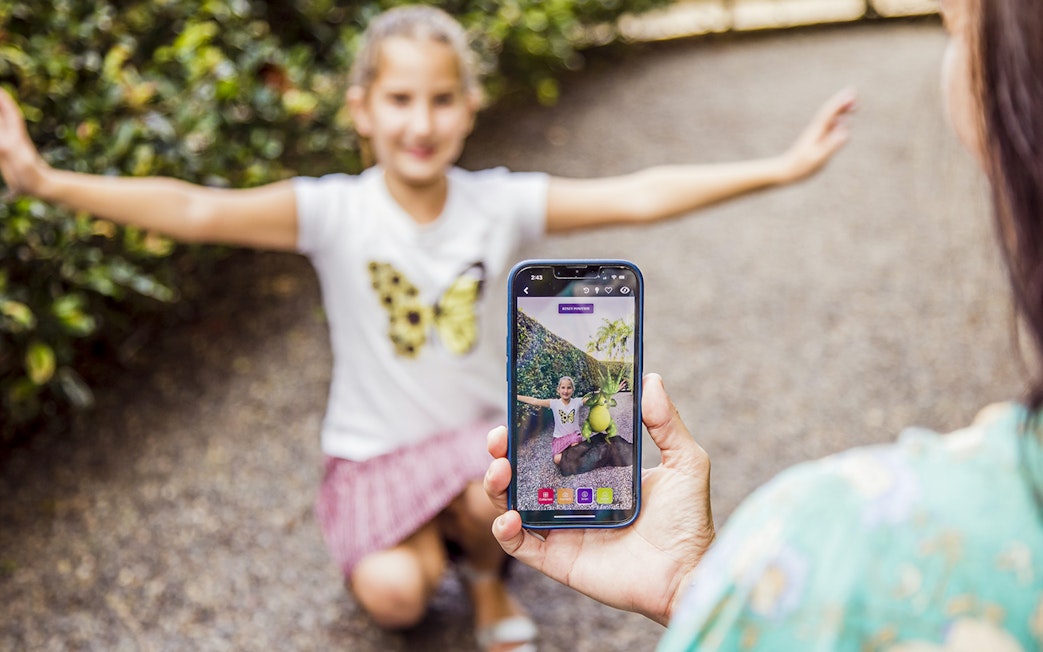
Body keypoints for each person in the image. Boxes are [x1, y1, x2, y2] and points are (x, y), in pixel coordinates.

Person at [0, 5, 855, 651]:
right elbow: (194, 207)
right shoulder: (332, 212)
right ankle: (440, 544)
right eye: (400, 99)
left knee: (491, 475)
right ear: (362, 109)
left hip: (468, 450)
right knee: (396, 597)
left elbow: (635, 193)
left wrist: (781, 168)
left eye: (442, 99)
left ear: (470, 106)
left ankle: (486, 581)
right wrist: (44, 181)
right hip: (372, 454)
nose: (421, 122)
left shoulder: (497, 202)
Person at [484, 0, 1043, 649]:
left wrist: (716, 599)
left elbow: (640, 195)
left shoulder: (827, 547)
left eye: (953, 24)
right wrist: (691, 588)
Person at [517, 376, 587, 465]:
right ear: (558, 390)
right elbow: (535, 401)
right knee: (557, 460)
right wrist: (516, 396)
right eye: (563, 388)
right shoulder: (554, 403)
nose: (565, 391)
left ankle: (572, 456)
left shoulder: (577, 401)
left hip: (574, 437)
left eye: (569, 388)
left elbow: (592, 399)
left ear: (573, 390)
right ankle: (572, 457)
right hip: (559, 439)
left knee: (574, 445)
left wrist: (602, 392)